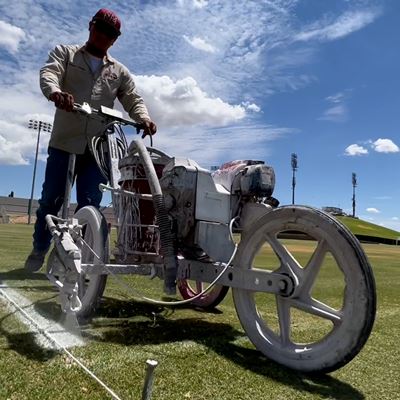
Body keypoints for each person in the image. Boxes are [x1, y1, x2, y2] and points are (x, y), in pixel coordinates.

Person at [25, 8, 157, 272]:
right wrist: (55, 92)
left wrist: (143, 117)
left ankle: (82, 262)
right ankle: (40, 248)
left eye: (111, 33)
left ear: (115, 39)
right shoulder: (66, 53)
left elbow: (132, 97)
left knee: (90, 206)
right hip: (65, 142)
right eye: (100, 28)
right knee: (50, 200)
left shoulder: (118, 71)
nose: (103, 35)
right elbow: (49, 73)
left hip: (97, 149)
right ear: (91, 26)